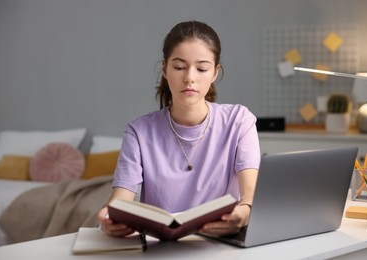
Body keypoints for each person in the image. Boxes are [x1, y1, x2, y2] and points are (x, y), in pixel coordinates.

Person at [98, 20, 260, 238]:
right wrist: (110, 219)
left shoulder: (240, 121)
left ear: (214, 73)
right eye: (179, 67)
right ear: (165, 69)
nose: (189, 78)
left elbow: (249, 199)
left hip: (221, 245)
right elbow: (119, 202)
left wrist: (243, 215)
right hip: (162, 249)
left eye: (202, 68)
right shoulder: (138, 132)